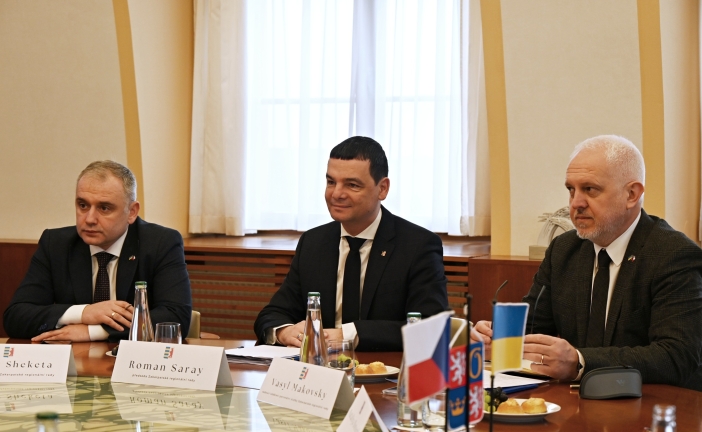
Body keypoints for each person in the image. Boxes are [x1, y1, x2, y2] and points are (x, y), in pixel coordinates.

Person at [472, 135, 702, 390]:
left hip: (652, 402)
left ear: (631, 194)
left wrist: (581, 362)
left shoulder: (673, 254)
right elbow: (535, 327)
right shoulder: (564, 249)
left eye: (590, 189)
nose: (576, 203)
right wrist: (497, 337)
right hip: (576, 403)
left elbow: (676, 356)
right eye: (571, 190)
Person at [254, 136, 449, 351]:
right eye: (331, 182)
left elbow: (431, 327)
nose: (336, 194)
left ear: (382, 189)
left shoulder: (417, 246)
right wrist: (284, 332)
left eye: (352, 185)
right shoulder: (313, 243)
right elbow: (273, 314)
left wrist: (346, 335)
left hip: (384, 368)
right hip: (319, 369)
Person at [3, 160, 192, 342]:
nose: (90, 219)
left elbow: (175, 318)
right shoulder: (56, 244)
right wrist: (84, 313)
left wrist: (94, 331)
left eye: (104, 208)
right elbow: (16, 317)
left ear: (132, 212)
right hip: (76, 360)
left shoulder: (161, 243)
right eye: (83, 205)